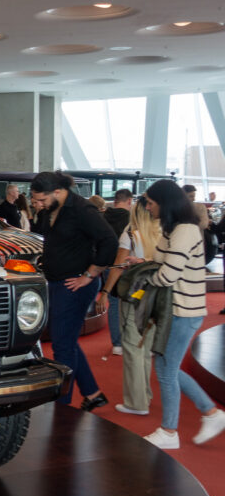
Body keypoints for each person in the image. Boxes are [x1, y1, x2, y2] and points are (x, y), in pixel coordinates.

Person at [140, 180, 225, 449]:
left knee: (166, 371)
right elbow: (162, 264)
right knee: (167, 368)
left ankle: (170, 431)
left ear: (164, 203)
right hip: (175, 310)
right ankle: (210, 413)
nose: (148, 208)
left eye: (151, 203)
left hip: (183, 312)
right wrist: (146, 267)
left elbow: (168, 274)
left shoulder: (185, 230)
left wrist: (144, 278)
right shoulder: (175, 228)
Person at [31, 171, 118, 410]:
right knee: (66, 340)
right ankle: (92, 393)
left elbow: (109, 241)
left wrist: (90, 274)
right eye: (35, 201)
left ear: (58, 192)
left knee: (62, 345)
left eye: (41, 200)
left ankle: (63, 406)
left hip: (75, 286)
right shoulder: (51, 209)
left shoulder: (82, 210)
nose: (38, 205)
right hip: (59, 283)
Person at [95, 196, 162, 414]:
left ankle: (136, 402)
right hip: (155, 296)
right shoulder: (162, 232)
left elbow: (117, 266)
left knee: (133, 347)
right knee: (144, 348)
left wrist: (105, 292)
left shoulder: (130, 234)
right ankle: (145, 395)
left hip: (134, 295)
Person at [101, 188, 133, 355]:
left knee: (113, 303)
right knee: (131, 302)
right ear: (129, 201)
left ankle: (117, 343)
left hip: (107, 266)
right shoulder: (131, 221)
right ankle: (131, 339)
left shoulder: (103, 217)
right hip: (126, 265)